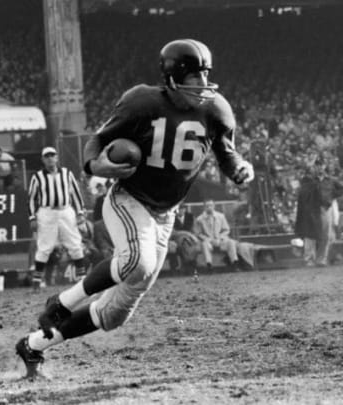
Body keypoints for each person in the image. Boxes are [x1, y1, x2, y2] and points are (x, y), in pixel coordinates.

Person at [15, 39, 254, 379]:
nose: (203, 84)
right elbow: (97, 141)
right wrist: (98, 167)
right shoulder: (142, 101)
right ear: (172, 78)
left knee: (113, 314)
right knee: (136, 262)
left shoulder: (216, 109)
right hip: (130, 198)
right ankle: (61, 303)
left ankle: (33, 345)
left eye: (205, 75)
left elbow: (227, 155)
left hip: (165, 213)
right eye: (194, 76)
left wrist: (241, 169)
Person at [27, 147, 87, 288]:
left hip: (65, 210)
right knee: (44, 246)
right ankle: (37, 281)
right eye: (46, 156)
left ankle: (82, 278)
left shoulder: (67, 173)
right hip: (46, 212)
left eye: (52, 155)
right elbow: (31, 198)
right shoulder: (37, 176)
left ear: (57, 157)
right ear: (43, 159)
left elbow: (76, 194)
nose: (49, 158)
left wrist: (80, 213)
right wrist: (32, 217)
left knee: (75, 244)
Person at [194, 200, 239, 271]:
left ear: (214, 206)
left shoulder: (221, 216)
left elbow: (226, 229)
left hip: (220, 240)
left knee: (231, 242)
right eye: (207, 206)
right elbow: (198, 233)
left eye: (211, 205)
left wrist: (220, 238)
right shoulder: (199, 219)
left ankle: (235, 263)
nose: (209, 208)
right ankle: (209, 264)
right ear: (204, 207)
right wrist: (208, 239)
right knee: (204, 245)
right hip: (208, 241)